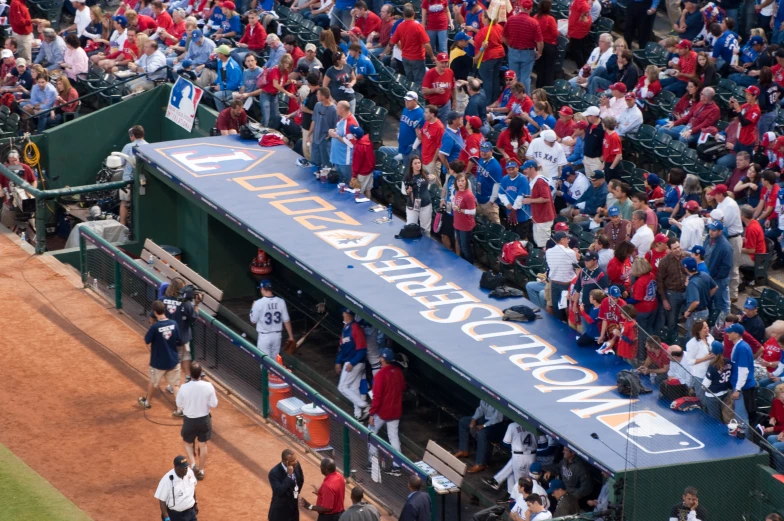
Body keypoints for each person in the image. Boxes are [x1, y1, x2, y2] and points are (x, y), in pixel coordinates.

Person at [368, 348, 405, 477]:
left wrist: (372, 413)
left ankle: (373, 464)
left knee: (371, 433)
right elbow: (402, 388)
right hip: (395, 410)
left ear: (383, 360)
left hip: (382, 412)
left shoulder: (380, 374)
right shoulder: (399, 372)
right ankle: (397, 466)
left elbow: (376, 397)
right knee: (394, 437)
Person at [176, 363, 217, 480]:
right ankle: (201, 470)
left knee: (188, 443)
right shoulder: (208, 386)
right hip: (204, 419)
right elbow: (214, 404)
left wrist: (187, 408)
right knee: (203, 445)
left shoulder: (184, 387)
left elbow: (179, 404)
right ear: (200, 374)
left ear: (190, 374)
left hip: (189, 420)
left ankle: (193, 464)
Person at [139, 300, 181, 410]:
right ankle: (180, 409)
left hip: (158, 362)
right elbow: (179, 340)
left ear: (155, 312)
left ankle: (147, 403)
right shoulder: (174, 323)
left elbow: (147, 340)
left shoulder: (155, 327)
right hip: (173, 361)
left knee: (153, 383)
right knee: (175, 385)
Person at [482, 423, 536, 497]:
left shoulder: (513, 425)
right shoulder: (534, 424)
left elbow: (506, 443)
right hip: (532, 456)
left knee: (520, 483)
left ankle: (518, 501)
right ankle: (507, 491)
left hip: (519, 456)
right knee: (514, 472)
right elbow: (543, 443)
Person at [454, 399, 505, 473]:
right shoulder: (485, 395)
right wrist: (473, 419)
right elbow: (481, 409)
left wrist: (483, 426)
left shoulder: (499, 399)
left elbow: (498, 419)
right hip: (486, 419)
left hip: (497, 425)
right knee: (463, 421)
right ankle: (463, 450)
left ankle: (480, 464)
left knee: (481, 434)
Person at [388, 6, 435, 84]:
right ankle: (418, 96)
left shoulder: (400, 26)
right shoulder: (418, 26)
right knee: (419, 82)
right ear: (414, 14)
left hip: (406, 58)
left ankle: (412, 95)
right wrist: (432, 56)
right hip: (417, 58)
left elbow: (392, 42)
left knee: (410, 82)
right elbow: (426, 44)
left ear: (403, 15)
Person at [336, 309, 369, 420]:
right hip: (349, 361)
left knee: (342, 387)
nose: (342, 315)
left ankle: (364, 406)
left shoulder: (356, 328)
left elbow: (362, 350)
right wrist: (338, 362)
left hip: (355, 362)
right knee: (354, 388)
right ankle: (358, 414)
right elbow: (343, 349)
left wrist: (352, 363)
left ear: (348, 315)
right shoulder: (345, 329)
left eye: (344, 313)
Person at [249, 280, 295, 359]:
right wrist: (291, 336)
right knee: (274, 363)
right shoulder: (281, 301)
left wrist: (252, 308)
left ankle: (266, 372)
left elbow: (253, 321)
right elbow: (286, 320)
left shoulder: (258, 303)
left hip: (264, 337)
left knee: (264, 362)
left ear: (263, 289)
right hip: (277, 337)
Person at [726, 322, 758, 425]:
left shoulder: (742, 348)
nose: (727, 334)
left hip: (743, 388)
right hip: (740, 385)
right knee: (740, 414)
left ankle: (744, 438)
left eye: (730, 332)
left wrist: (738, 389)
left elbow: (743, 371)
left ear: (736, 334)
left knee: (741, 416)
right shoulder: (739, 346)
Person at [522, 160, 556, 247]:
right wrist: (530, 197)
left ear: (532, 168)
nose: (524, 171)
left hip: (544, 217)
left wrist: (530, 200)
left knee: (543, 244)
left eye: (526, 169)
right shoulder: (535, 180)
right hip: (538, 216)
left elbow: (546, 198)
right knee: (538, 241)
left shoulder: (540, 182)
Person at [704, 220, 733, 319]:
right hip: (709, 277)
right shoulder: (708, 239)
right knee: (711, 302)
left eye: (714, 230)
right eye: (710, 229)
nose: (711, 232)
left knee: (721, 304)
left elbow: (726, 267)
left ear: (720, 232)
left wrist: (715, 276)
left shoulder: (725, 246)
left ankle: (722, 326)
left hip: (718, 280)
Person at [155, 456, 198, 521]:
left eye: (186, 467)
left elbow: (193, 488)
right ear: (176, 467)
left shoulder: (189, 472)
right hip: (175, 516)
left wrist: (195, 503)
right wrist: (166, 518)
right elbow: (162, 501)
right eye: (182, 468)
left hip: (190, 512)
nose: (185, 470)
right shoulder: (167, 480)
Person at [682, 256, 717, 333]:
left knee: (692, 335)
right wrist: (707, 296)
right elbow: (715, 287)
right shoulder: (704, 275)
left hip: (696, 314)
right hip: (705, 310)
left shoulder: (692, 283)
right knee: (701, 334)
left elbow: (695, 302)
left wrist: (688, 311)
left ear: (686, 269)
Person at [401, 156, 433, 236]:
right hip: (412, 205)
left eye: (419, 163)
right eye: (415, 163)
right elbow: (403, 191)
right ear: (411, 165)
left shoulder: (424, 172)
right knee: (410, 226)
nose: (418, 165)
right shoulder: (407, 177)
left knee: (426, 228)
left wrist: (433, 178)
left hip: (426, 204)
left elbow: (431, 182)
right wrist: (407, 191)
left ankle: (426, 245)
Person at [269, 449, 305, 521]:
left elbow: (301, 479)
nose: (295, 462)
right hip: (280, 511)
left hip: (293, 510)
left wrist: (295, 494)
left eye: (295, 459)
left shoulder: (297, 465)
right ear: (286, 462)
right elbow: (279, 491)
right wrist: (289, 476)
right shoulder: (274, 473)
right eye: (292, 461)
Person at [328, 100, 359, 184]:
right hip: (337, 157)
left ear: (342, 109)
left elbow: (351, 143)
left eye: (337, 108)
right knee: (338, 181)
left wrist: (336, 136)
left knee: (346, 183)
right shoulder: (342, 119)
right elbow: (340, 131)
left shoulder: (351, 123)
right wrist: (333, 131)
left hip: (345, 161)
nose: (336, 109)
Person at [702, 341, 732, 422]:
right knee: (723, 414)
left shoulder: (712, 366)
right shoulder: (729, 362)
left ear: (712, 352)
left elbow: (705, 384)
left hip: (713, 395)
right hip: (725, 393)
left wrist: (703, 387)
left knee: (714, 418)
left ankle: (715, 433)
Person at [422, 52, 456, 123]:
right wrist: (435, 90)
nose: (444, 65)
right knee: (431, 126)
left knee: (444, 128)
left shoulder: (450, 72)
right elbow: (424, 91)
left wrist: (454, 100)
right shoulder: (430, 73)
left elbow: (453, 88)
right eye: (442, 62)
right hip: (432, 107)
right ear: (437, 62)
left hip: (446, 105)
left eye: (446, 62)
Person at [309, 87, 338, 168]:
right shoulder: (317, 105)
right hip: (315, 139)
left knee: (326, 166)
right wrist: (309, 135)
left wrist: (328, 137)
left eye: (318, 94)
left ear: (323, 96)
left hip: (325, 141)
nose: (316, 96)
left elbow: (336, 127)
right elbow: (314, 121)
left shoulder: (334, 109)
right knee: (314, 164)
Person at [475, 142, 503, 224]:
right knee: (481, 223)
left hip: (489, 201)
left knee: (495, 225)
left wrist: (491, 200)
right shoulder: (481, 160)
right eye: (482, 151)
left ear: (491, 151)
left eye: (486, 151)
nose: (483, 153)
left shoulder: (495, 166)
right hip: (480, 198)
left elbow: (497, 184)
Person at [452, 172, 477, 262]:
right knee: (461, 246)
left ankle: (470, 265)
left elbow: (473, 211)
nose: (460, 183)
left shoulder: (469, 195)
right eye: (459, 181)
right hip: (457, 223)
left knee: (465, 247)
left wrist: (460, 210)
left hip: (465, 226)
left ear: (466, 182)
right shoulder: (457, 192)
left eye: (462, 181)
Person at [417, 105, 446, 183]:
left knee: (435, 185)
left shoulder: (439, 128)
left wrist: (433, 161)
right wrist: (416, 129)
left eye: (426, 112)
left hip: (432, 161)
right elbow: (421, 137)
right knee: (425, 183)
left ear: (432, 114)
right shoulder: (427, 122)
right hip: (424, 158)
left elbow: (439, 146)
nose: (424, 114)